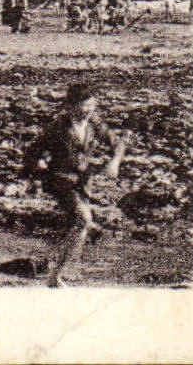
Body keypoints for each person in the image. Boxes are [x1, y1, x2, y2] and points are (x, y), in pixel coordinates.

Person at [22, 80, 126, 287]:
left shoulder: (95, 122)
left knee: (79, 227)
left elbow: (118, 144)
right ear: (72, 106)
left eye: (92, 105)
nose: (89, 110)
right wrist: (40, 162)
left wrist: (114, 162)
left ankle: (54, 271)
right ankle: (56, 274)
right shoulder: (59, 125)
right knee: (84, 220)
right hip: (59, 179)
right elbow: (33, 150)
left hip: (83, 181)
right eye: (85, 106)